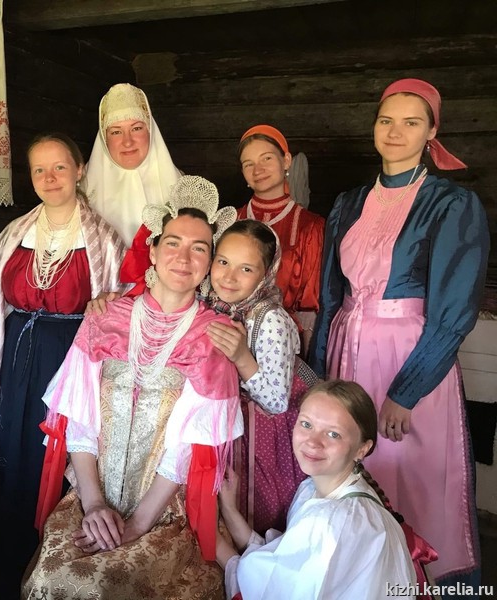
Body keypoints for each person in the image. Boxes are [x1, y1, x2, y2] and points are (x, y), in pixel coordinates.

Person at [309, 78, 489, 592]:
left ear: (432, 132)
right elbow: (330, 296)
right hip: (347, 351)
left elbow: (454, 310)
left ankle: (414, 583)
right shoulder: (348, 203)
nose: (395, 131)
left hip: (408, 359)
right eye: (386, 120)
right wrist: (319, 379)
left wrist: (407, 391)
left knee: (405, 470)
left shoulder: (450, 204)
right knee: (348, 468)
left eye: (411, 122)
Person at [24, 176, 240, 600]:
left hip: (166, 511)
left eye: (200, 248)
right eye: (173, 243)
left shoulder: (214, 336)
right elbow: (79, 421)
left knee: (107, 584)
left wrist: (138, 524)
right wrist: (93, 504)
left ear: (210, 263)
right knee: (53, 579)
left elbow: (188, 450)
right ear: (153, 252)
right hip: (91, 495)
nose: (184, 257)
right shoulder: (106, 317)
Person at [0, 132, 126, 598]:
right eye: (39, 169)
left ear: (79, 170)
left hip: (69, 358)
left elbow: (120, 302)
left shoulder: (104, 240)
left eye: (59, 167)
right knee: (13, 446)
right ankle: (7, 558)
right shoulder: (15, 233)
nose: (50, 178)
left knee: (55, 447)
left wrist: (107, 306)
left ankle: (53, 561)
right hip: (15, 357)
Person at [217, 380, 417, 600]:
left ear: (362, 449)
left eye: (333, 434)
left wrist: (215, 545)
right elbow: (284, 560)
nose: (313, 442)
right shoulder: (313, 487)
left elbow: (269, 590)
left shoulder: (333, 521)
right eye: (306, 424)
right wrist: (229, 509)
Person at [205, 219, 314, 532]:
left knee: (257, 507)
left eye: (246, 269)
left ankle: (254, 554)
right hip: (225, 424)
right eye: (223, 262)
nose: (229, 276)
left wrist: (242, 357)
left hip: (263, 439)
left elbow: (277, 402)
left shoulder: (270, 319)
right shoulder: (212, 305)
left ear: (266, 274)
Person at [83, 83, 182, 295]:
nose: (127, 142)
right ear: (104, 138)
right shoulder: (82, 191)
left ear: (150, 130)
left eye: (136, 128)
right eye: (116, 132)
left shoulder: (181, 186)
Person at [237, 125, 324, 354]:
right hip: (232, 335)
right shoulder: (231, 220)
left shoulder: (310, 226)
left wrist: (305, 358)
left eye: (266, 158)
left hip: (284, 342)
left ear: (286, 161)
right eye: (248, 164)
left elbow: (309, 305)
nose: (258, 169)